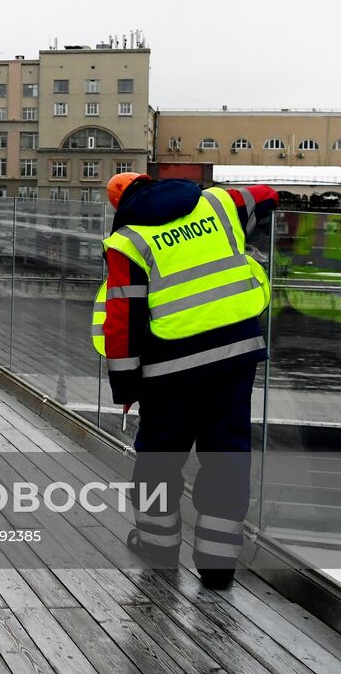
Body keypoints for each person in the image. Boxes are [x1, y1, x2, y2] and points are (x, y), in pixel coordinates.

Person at [92, 171, 277, 590]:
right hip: (235, 358)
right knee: (227, 458)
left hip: (169, 373)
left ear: (119, 207)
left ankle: (158, 547)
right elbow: (266, 196)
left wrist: (126, 389)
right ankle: (218, 566)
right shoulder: (217, 204)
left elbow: (122, 324)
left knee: (159, 459)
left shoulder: (128, 243)